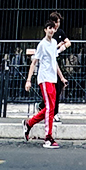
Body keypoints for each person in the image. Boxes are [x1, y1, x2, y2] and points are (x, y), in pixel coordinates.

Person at [23, 18, 66, 148]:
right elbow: (34, 62)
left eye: (53, 28)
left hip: (52, 78)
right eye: (49, 28)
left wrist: (62, 77)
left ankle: (29, 123)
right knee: (49, 108)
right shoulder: (42, 44)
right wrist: (29, 80)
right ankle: (48, 138)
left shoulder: (54, 43)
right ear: (45, 30)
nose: (52, 30)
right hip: (44, 78)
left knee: (50, 108)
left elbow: (55, 62)